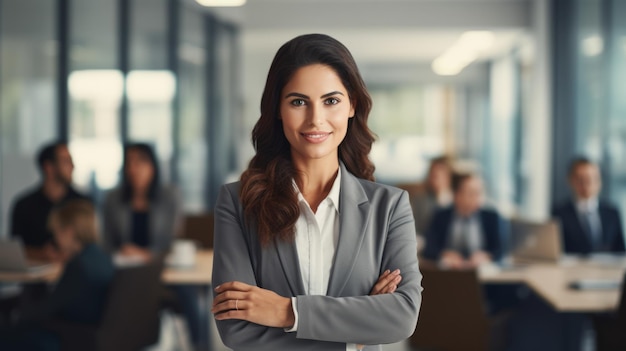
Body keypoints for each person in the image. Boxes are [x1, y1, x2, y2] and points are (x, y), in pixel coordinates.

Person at [211, 34, 422, 351]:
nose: (315, 119)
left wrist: (286, 312)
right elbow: (236, 329)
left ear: (352, 105)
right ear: (278, 109)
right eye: (298, 102)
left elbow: (402, 316)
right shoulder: (239, 203)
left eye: (331, 101)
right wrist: (356, 334)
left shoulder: (389, 207)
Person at [101, 143, 204, 348]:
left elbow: (172, 241)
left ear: (152, 166)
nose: (133, 168)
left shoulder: (169, 196)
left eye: (139, 161)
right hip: (124, 270)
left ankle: (199, 345)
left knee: (187, 291)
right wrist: (121, 252)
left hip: (162, 269)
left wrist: (148, 255)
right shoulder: (113, 199)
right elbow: (106, 244)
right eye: (129, 162)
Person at [0, 200, 115, 350]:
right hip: (88, 333)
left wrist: (33, 284)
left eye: (56, 232)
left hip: (67, 336)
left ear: (69, 232)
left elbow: (38, 313)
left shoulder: (79, 267)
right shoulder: (103, 259)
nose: (55, 240)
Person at [10, 141, 90, 262]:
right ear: (49, 167)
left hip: (76, 274)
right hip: (36, 277)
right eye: (66, 161)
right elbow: (14, 249)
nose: (73, 166)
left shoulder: (83, 203)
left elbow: (93, 244)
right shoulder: (24, 205)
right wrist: (41, 254)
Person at [422, 172, 506, 269]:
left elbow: (501, 250)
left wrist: (486, 256)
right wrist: (444, 254)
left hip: (482, 273)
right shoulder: (441, 216)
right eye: (471, 193)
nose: (477, 197)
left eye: (479, 192)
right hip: (448, 273)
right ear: (457, 194)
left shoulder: (491, 217)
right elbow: (428, 249)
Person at [552, 157, 625, 255]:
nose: (587, 184)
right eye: (581, 179)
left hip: (607, 269)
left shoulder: (612, 212)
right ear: (570, 180)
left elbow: (620, 252)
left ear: (599, 181)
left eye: (592, 178)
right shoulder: (559, 213)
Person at [410, 156, 454, 236]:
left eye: (441, 176)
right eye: (434, 176)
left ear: (448, 177)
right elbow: (415, 228)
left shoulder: (457, 199)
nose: (437, 180)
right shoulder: (420, 200)